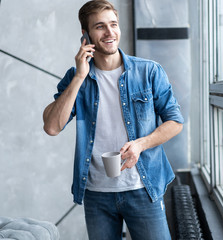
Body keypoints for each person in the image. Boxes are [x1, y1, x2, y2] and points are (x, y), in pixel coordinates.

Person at [42, 0, 184, 239]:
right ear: (85, 34)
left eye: (113, 25)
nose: (110, 33)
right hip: (97, 193)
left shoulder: (148, 72)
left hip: (143, 187)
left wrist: (140, 144)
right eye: (100, 26)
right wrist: (79, 77)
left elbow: (175, 122)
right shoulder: (76, 78)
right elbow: (52, 127)